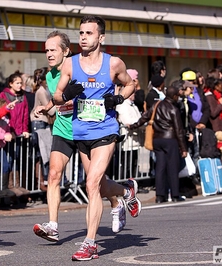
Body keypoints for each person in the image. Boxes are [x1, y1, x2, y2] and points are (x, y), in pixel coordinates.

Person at [52, 16, 142, 261]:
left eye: (89, 33)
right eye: (81, 33)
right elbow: (57, 98)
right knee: (101, 186)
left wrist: (118, 98)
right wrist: (66, 95)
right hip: (81, 131)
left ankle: (89, 243)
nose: (83, 37)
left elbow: (130, 84)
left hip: (105, 130)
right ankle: (125, 191)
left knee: (91, 184)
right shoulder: (70, 64)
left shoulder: (113, 63)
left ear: (100, 37)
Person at [33, 30, 127, 243]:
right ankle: (53, 226)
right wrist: (47, 107)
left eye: (53, 50)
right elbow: (60, 98)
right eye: (46, 50)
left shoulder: (80, 67)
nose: (48, 54)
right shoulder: (49, 75)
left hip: (85, 130)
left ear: (65, 51)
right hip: (63, 129)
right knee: (54, 175)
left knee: (95, 184)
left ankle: (120, 197)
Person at [129, 85, 188, 203]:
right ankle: (175, 194)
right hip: (170, 139)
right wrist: (183, 148)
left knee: (160, 167)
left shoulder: (157, 105)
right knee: (172, 167)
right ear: (175, 96)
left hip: (157, 139)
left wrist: (133, 125)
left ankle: (160, 195)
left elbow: (145, 117)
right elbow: (179, 130)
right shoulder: (173, 109)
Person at [0, 73, 30, 196]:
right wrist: (7, 130)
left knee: (17, 158)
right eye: (17, 83)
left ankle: (15, 184)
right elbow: (1, 111)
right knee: (7, 159)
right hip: (7, 131)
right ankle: (5, 186)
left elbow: (25, 114)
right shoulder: (4, 95)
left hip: (18, 132)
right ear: (10, 84)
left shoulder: (23, 96)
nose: (20, 85)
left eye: (21, 83)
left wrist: (25, 129)